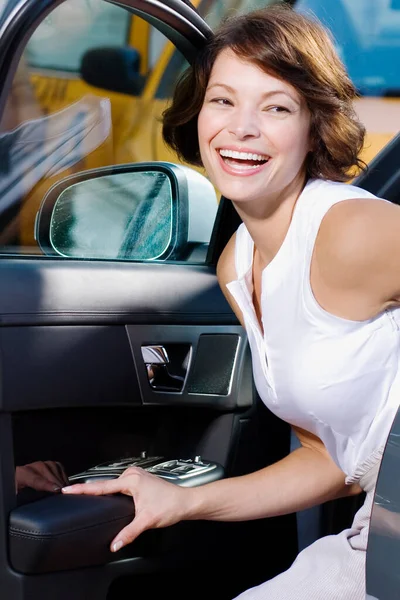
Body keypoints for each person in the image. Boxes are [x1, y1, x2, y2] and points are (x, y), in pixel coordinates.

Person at [62, 4, 400, 598]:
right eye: (223, 100)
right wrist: (184, 501)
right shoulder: (237, 266)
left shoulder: (348, 233)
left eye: (276, 107)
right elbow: (333, 461)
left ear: (314, 127)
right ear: (197, 114)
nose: (242, 127)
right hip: (379, 537)